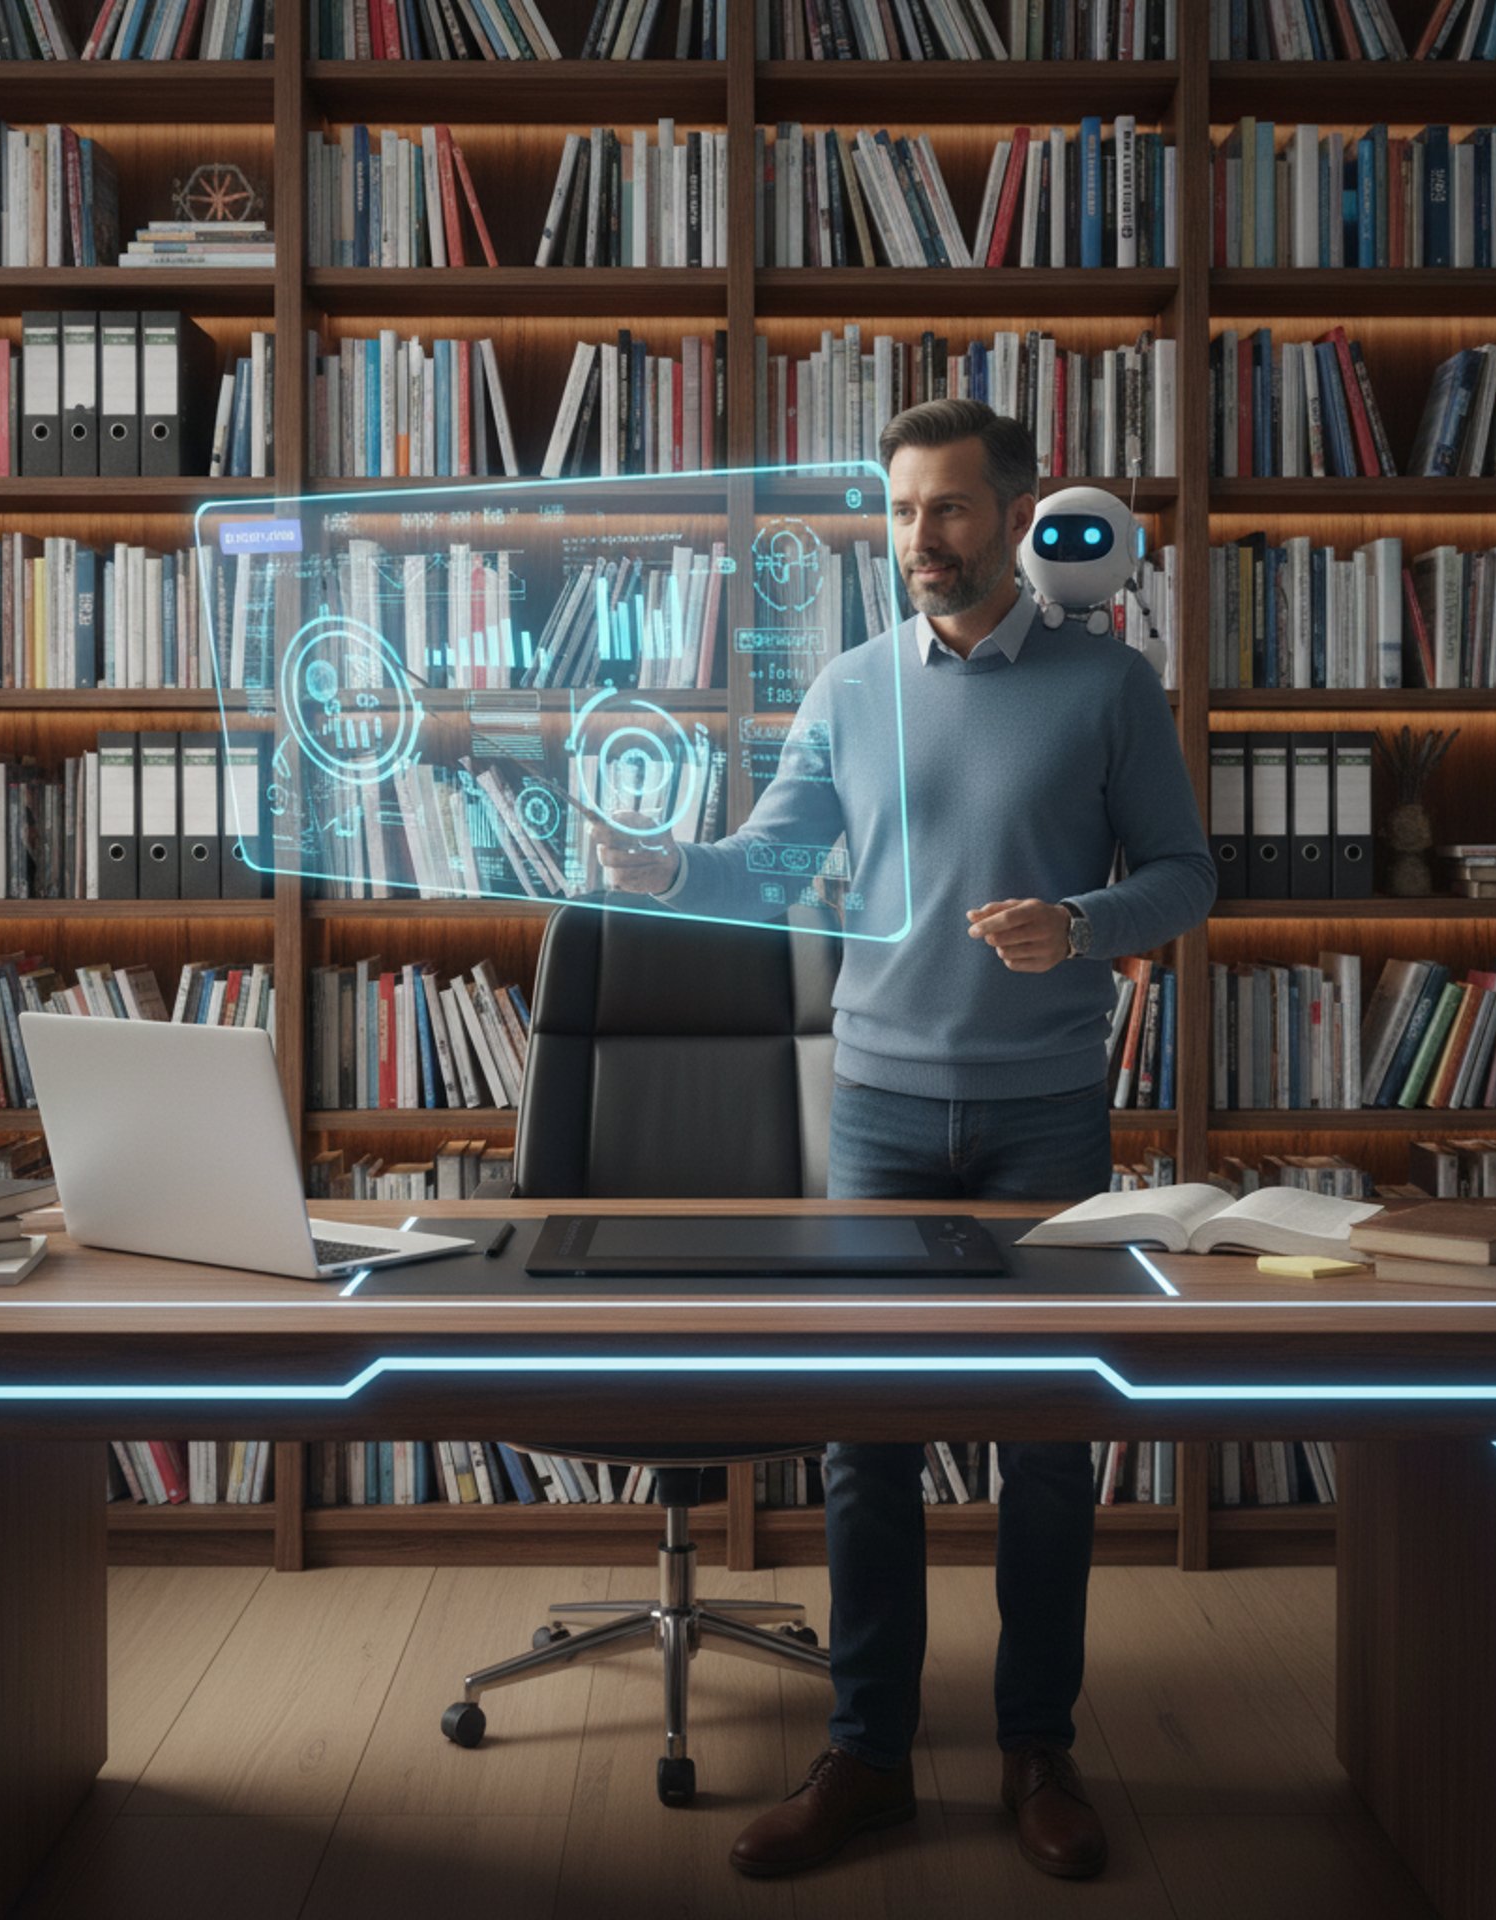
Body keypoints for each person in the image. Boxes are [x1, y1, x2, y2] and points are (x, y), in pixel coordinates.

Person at [591, 398, 1216, 1882]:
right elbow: (773, 865)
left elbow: (1186, 879)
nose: (917, 540)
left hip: (1043, 1113)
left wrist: (1080, 928)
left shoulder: (1108, 686)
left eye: (945, 510)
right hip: (875, 1111)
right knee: (868, 1448)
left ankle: (1037, 1749)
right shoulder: (849, 686)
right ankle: (866, 1754)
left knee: (1046, 1449)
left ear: (1010, 518)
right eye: (897, 511)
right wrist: (672, 864)